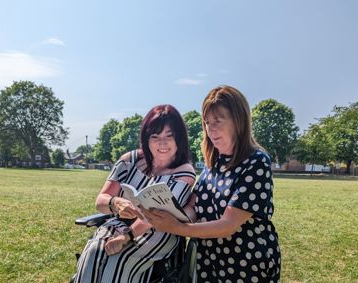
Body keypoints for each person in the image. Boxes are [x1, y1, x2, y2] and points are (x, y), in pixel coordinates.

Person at [142, 86, 281, 283]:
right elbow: (194, 206)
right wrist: (165, 213)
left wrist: (177, 228)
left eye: (218, 120)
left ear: (239, 120)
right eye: (207, 122)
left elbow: (228, 225)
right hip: (210, 261)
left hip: (246, 263)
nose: (210, 129)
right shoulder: (213, 163)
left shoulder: (256, 161)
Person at [73, 104, 196, 283]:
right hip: (118, 224)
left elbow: (156, 216)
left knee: (119, 261)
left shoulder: (184, 171)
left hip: (158, 231)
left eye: (169, 136)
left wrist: (127, 236)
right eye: (155, 137)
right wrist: (115, 202)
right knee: (93, 252)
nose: (162, 143)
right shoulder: (129, 160)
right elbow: (101, 200)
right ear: (146, 139)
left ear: (179, 139)